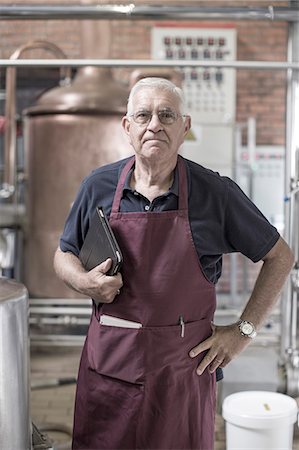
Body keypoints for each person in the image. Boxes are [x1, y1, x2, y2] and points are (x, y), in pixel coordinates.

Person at [54, 77, 294, 450]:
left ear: (185, 128)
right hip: (109, 372)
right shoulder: (97, 186)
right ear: (127, 126)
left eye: (167, 115)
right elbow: (63, 253)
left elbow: (280, 256)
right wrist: (84, 283)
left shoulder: (216, 193)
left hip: (183, 376)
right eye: (144, 115)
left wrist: (243, 332)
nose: (155, 125)